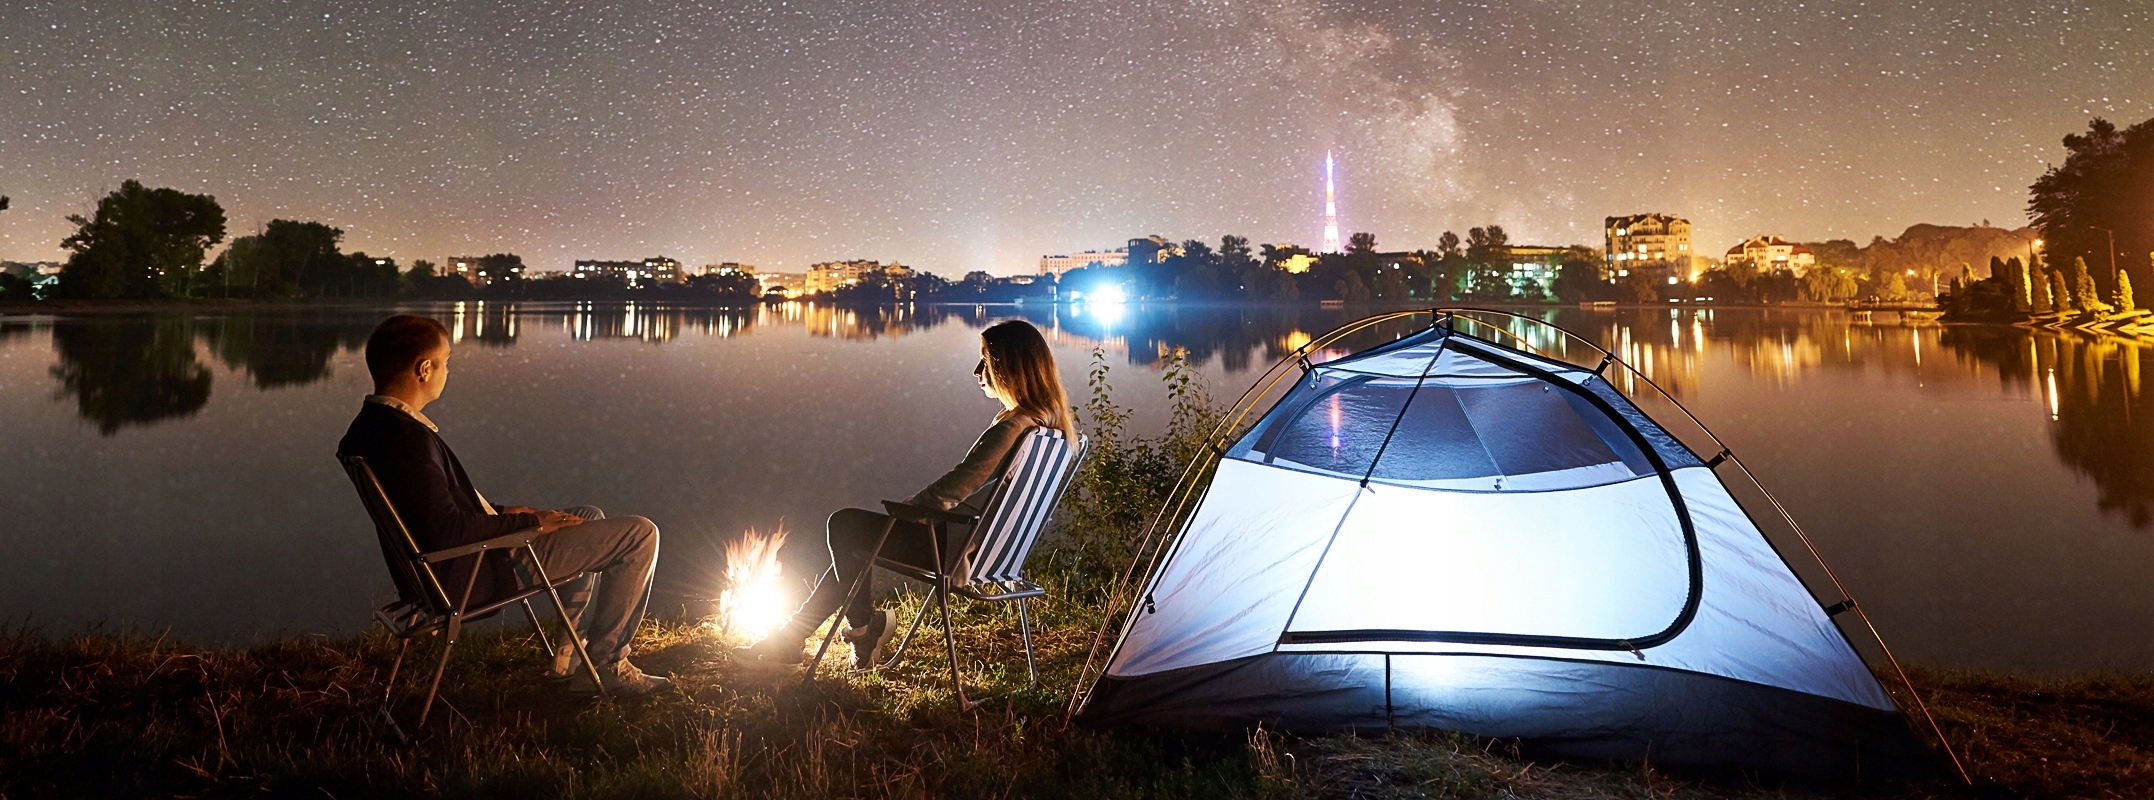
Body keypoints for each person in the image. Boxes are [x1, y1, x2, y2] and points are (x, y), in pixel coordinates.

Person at [336, 314, 668, 695]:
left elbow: (431, 506)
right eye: (445, 362)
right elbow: (447, 529)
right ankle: (609, 663)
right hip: (476, 570)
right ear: (424, 369)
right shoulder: (408, 441)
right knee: (641, 536)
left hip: (445, 568)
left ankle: (570, 658)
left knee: (586, 517)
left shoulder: (373, 426)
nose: (448, 372)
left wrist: (503, 511)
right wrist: (530, 525)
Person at [742, 319, 1078, 668]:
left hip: (954, 550)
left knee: (844, 525)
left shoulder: (1014, 427)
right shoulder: (1049, 428)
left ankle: (861, 629)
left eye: (986, 362)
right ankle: (795, 638)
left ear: (1011, 369)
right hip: (994, 553)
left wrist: (909, 509)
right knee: (853, 547)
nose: (977, 371)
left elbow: (959, 484)